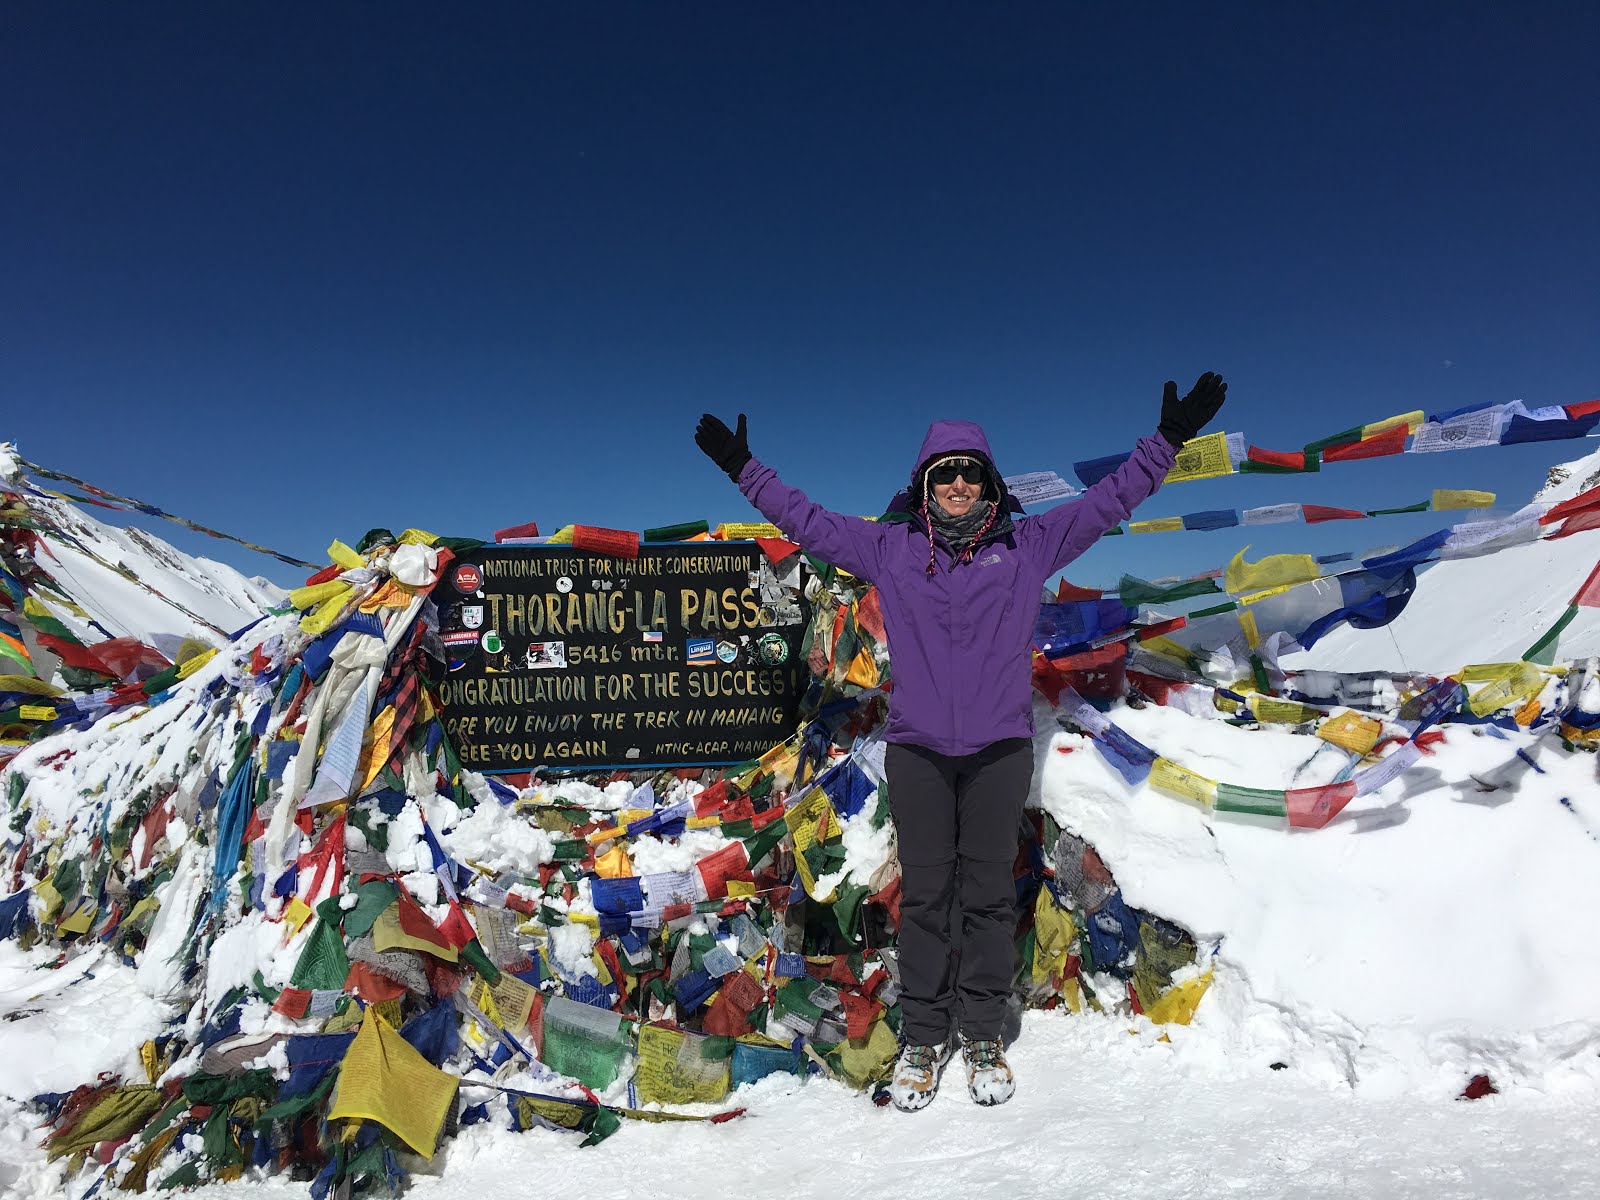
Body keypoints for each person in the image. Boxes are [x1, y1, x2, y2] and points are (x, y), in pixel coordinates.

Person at [694, 373, 1227, 1110]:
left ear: (988, 483)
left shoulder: (1030, 544)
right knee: (925, 899)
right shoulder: (891, 549)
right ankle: (921, 1037)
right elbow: (808, 521)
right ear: (924, 485)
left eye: (968, 472)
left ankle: (980, 1033)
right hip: (917, 750)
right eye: (944, 473)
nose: (956, 484)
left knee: (983, 897)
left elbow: (1109, 503)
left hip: (998, 751)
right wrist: (743, 468)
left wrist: (1166, 442)